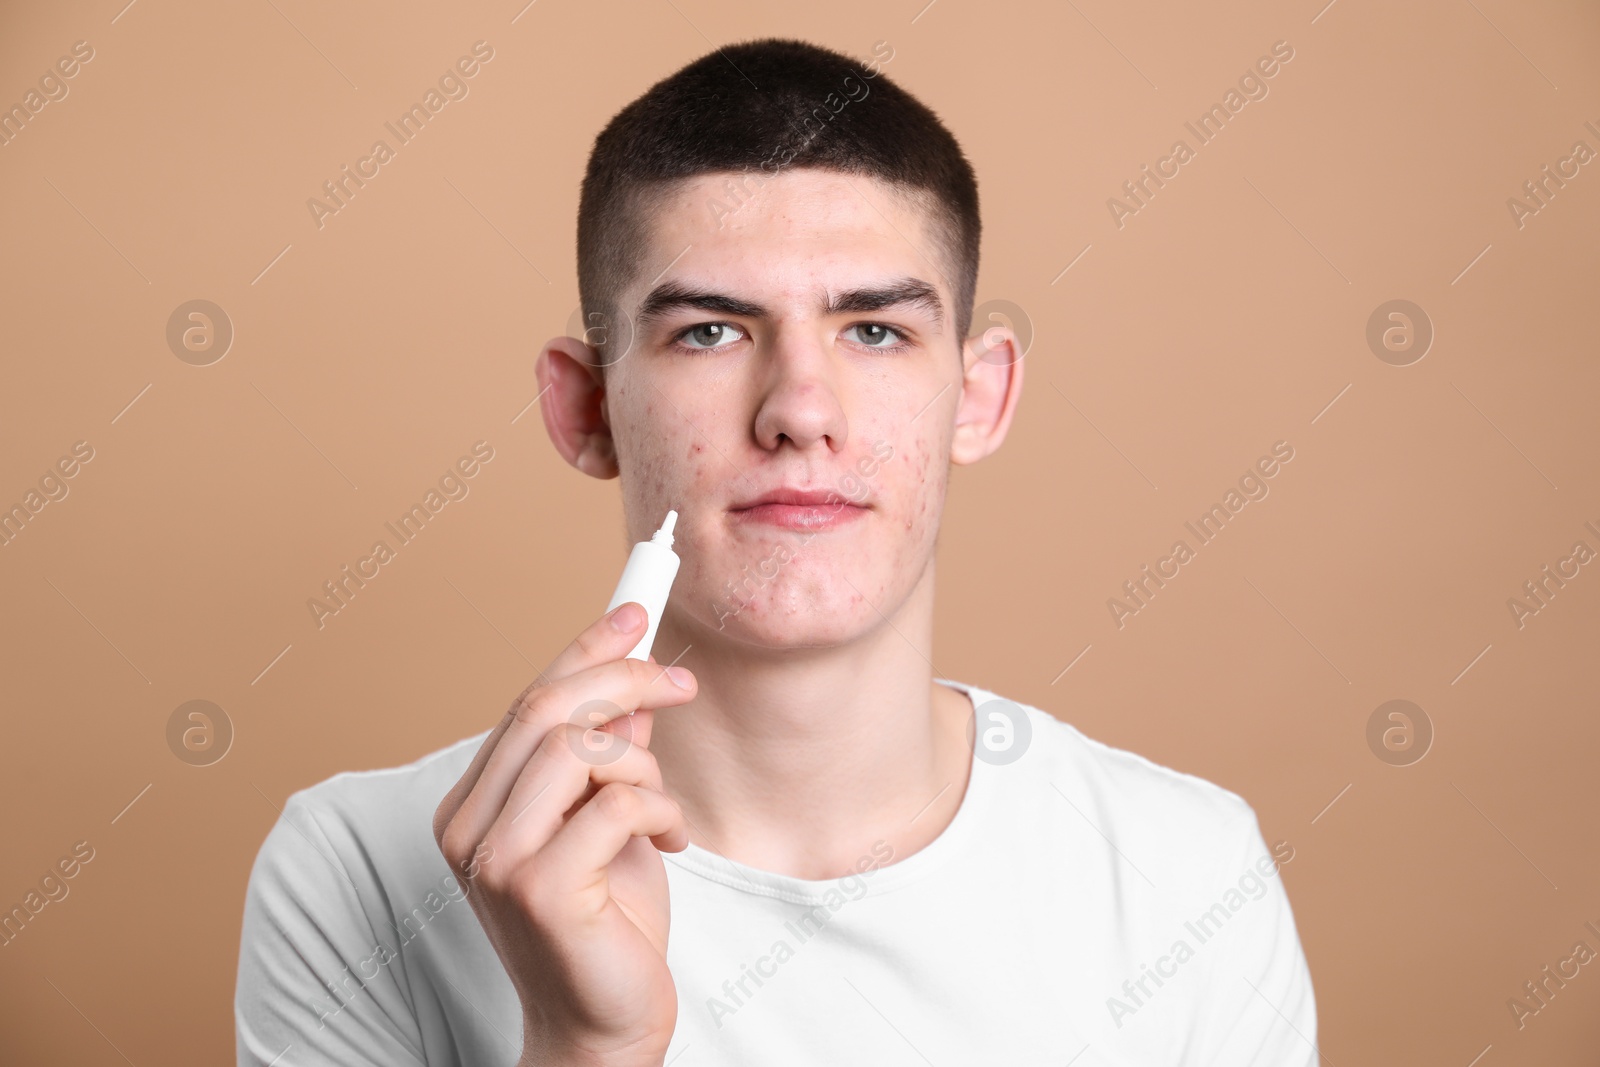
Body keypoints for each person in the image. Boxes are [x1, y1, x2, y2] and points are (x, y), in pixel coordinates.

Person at [235, 36, 1318, 1066]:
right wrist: (588, 1046)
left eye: (874, 330)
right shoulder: (356, 873)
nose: (800, 409)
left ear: (977, 396)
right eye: (708, 330)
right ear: (586, 408)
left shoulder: (1184, 875)